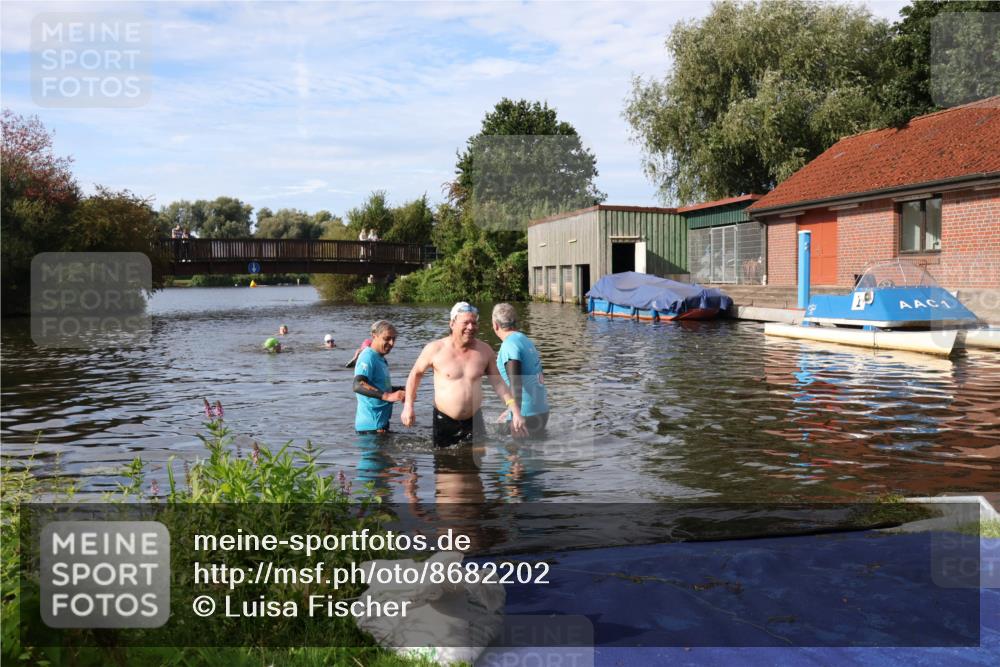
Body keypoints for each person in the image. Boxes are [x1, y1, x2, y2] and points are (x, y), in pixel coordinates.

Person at [401, 302, 527, 447]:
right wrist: (408, 406)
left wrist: (515, 410)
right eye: (466, 322)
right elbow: (415, 374)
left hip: (475, 420)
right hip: (445, 420)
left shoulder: (484, 350)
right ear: (452, 323)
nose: (471, 327)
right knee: (446, 466)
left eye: (474, 323)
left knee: (475, 465)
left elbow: (498, 383)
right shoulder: (435, 349)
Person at [492, 303, 549, 436]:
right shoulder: (524, 339)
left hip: (525, 416)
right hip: (542, 412)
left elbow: (515, 382)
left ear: (495, 324)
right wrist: (510, 410)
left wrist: (516, 414)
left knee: (491, 441)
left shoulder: (509, 345)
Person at [353, 320, 406, 434]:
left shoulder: (381, 358)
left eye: (394, 339)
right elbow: (358, 385)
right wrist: (388, 396)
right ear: (374, 336)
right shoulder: (368, 357)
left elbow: (379, 386)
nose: (391, 343)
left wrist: (401, 390)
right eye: (387, 338)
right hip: (370, 428)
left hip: (380, 425)